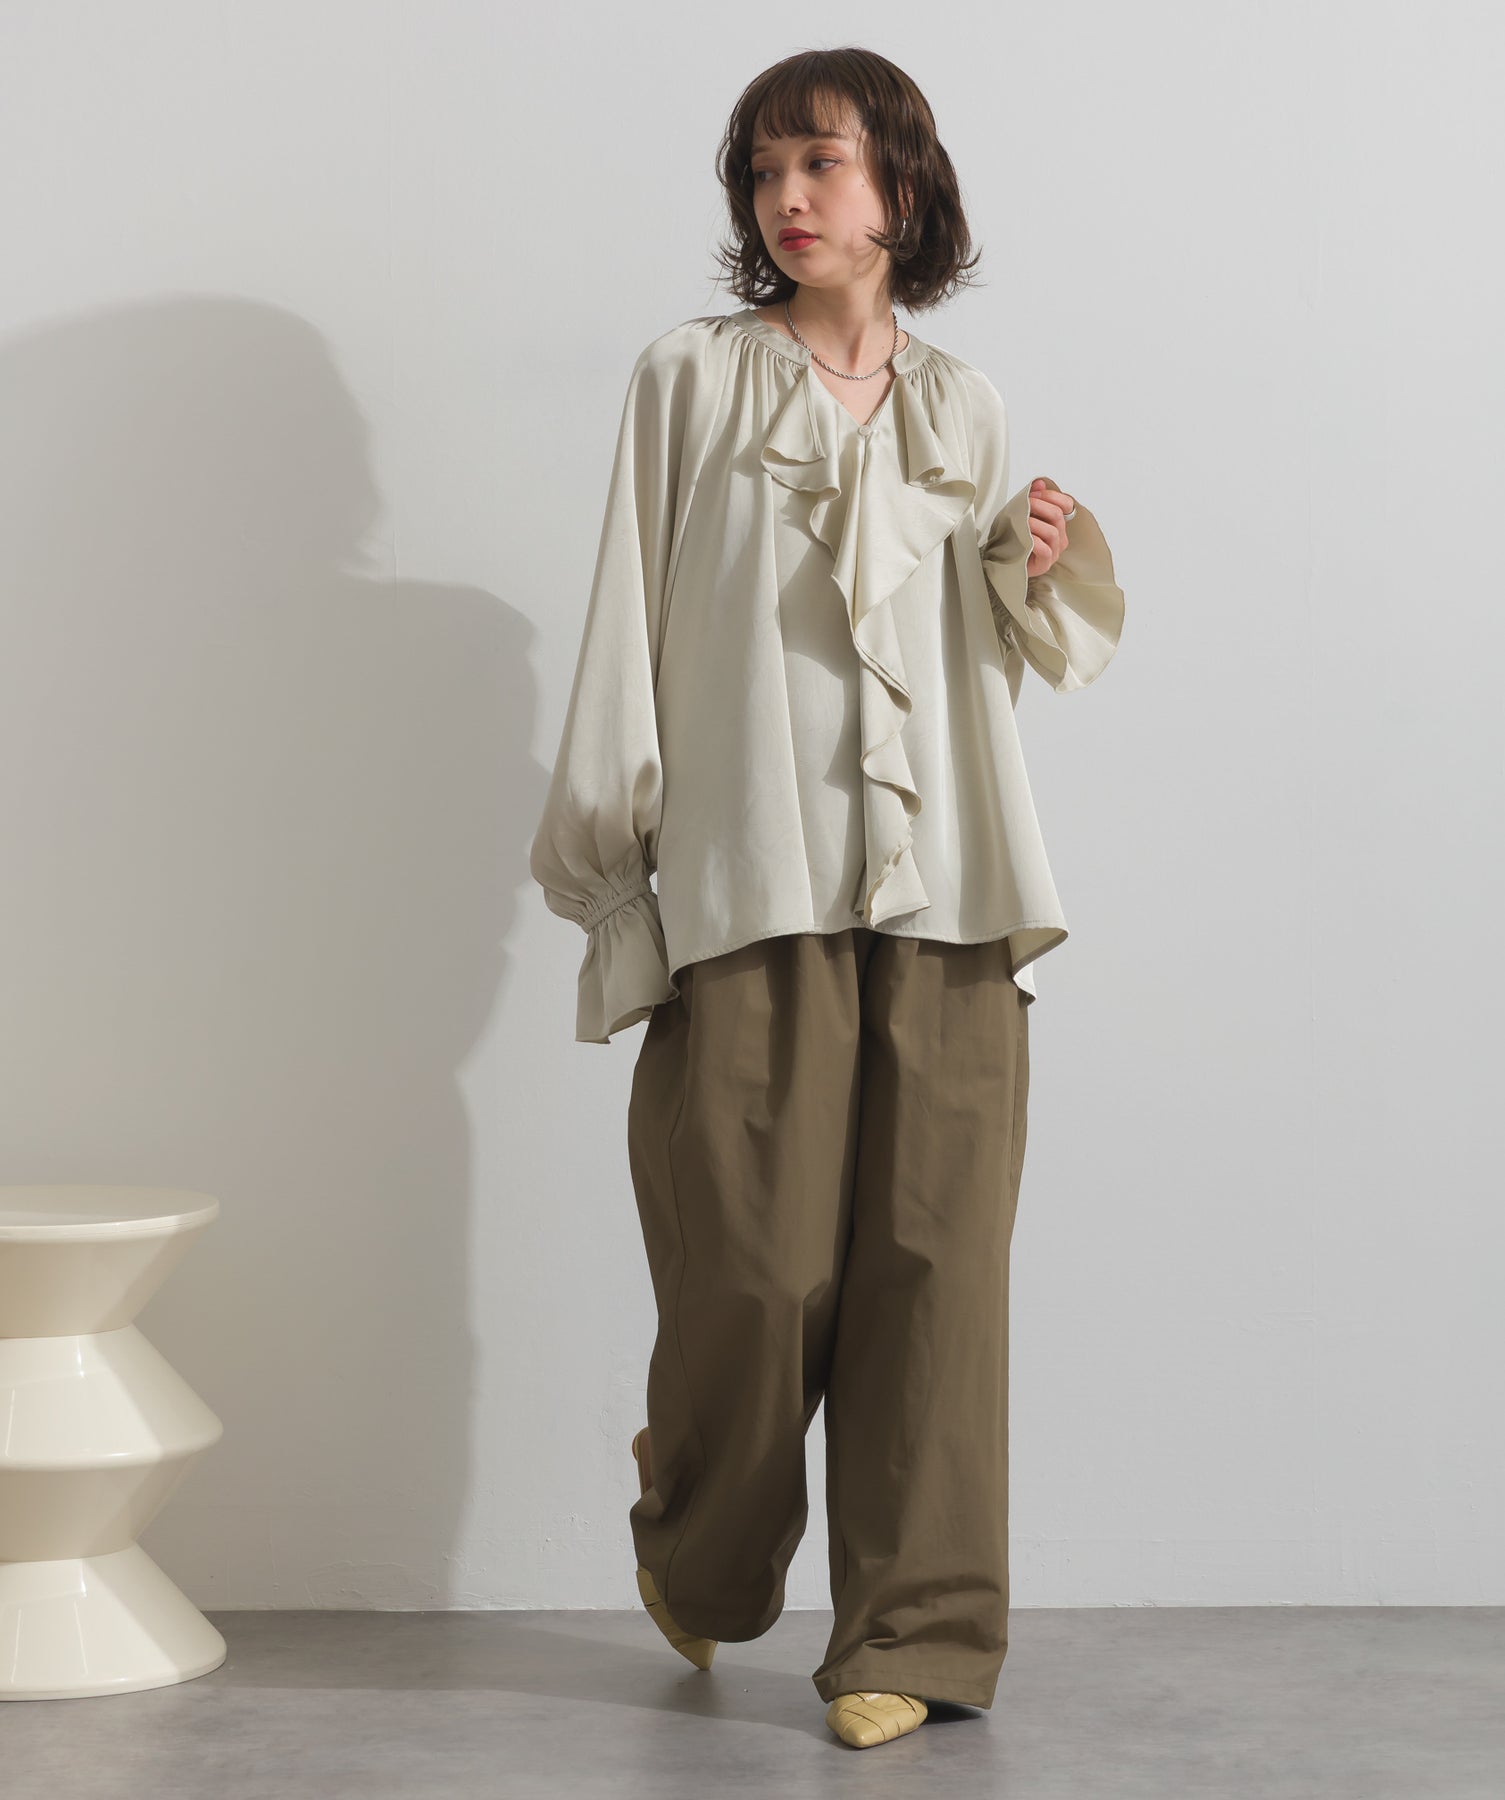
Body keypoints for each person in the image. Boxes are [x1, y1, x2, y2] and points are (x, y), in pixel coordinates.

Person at [528, 46, 1125, 1752]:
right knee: (753, 1269)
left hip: (952, 897)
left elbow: (984, 661)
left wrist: (1032, 561)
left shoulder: (965, 408)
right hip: (750, 884)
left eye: (821, 164)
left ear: (901, 187)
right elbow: (627, 628)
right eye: (761, 170)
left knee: (936, 1278)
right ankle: (698, 1539)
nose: (786, 198)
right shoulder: (690, 381)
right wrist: (618, 882)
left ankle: (911, 1635)